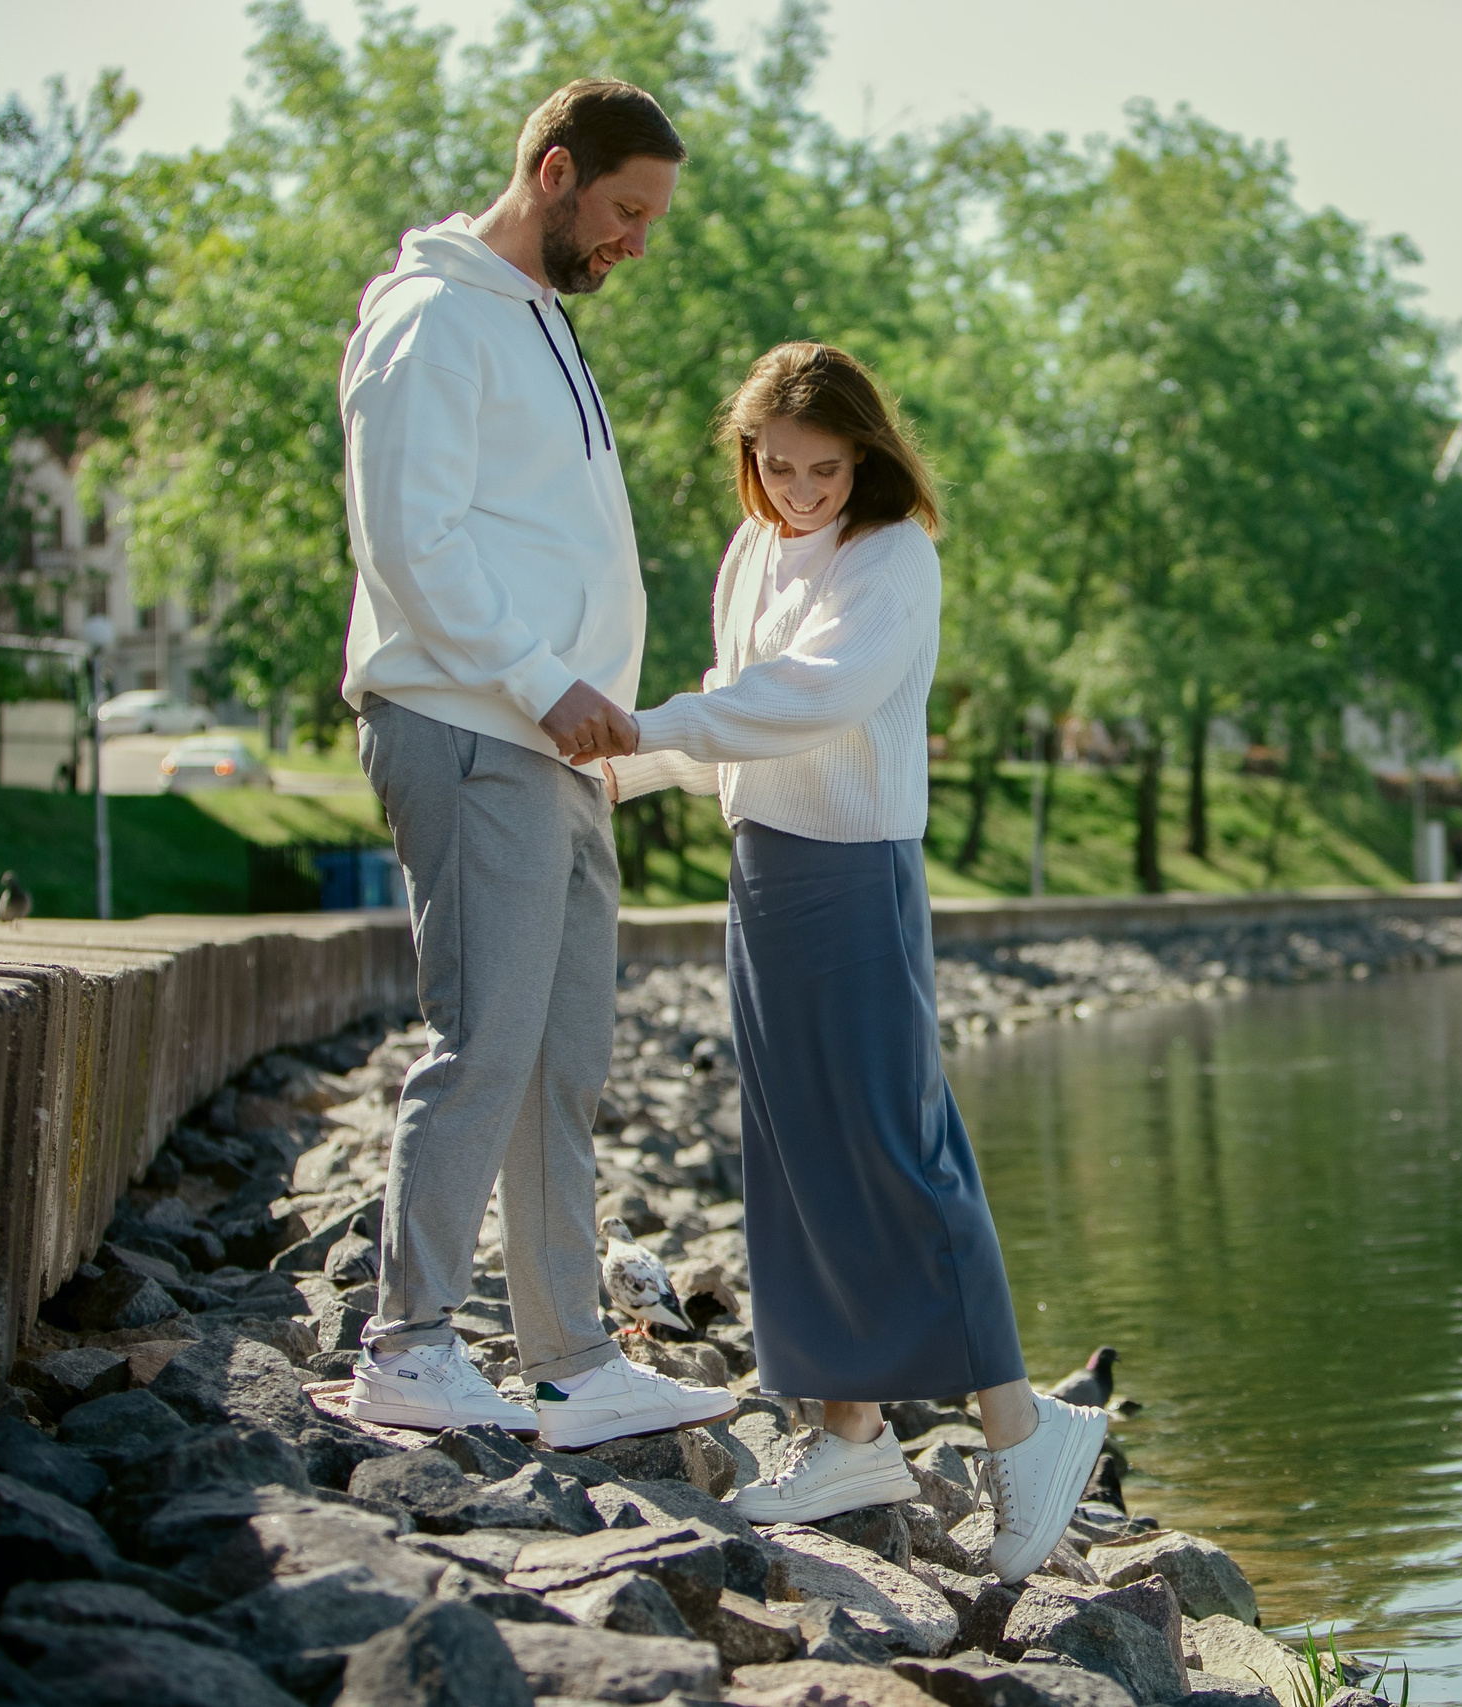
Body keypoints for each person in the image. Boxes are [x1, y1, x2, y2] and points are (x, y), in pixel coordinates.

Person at [605, 342, 1107, 1584]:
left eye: (823, 468)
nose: (797, 490)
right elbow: (734, 702)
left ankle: (1027, 1433)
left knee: (897, 1145)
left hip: (854, 867)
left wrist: (646, 729)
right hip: (764, 864)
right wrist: (619, 767)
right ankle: (849, 1433)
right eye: (775, 466)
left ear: (866, 457)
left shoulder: (894, 558)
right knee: (795, 1149)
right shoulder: (751, 550)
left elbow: (809, 697)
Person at [337, 78, 732, 1450]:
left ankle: (571, 1355)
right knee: (485, 1037)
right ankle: (408, 1340)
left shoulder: (540, 323)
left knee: (561, 1057)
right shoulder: (434, 316)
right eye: (626, 211)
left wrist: (588, 705)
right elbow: (411, 539)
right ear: (555, 174)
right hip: (476, 725)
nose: (636, 241)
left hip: (557, 749)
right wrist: (544, 680)